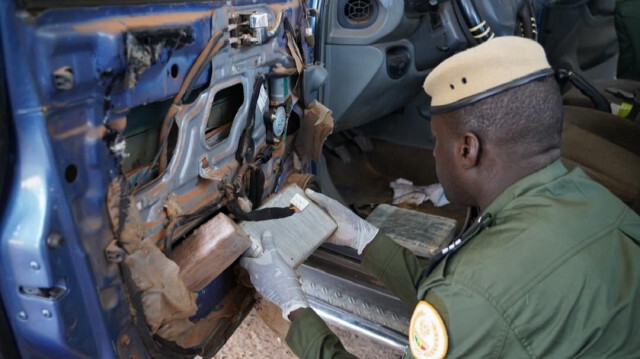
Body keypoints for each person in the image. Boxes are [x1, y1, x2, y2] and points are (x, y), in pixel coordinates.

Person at [240, 36, 640, 358]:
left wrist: (295, 308)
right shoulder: (601, 204)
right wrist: (366, 239)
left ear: (468, 149)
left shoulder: (474, 296)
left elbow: (475, 301)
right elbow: (473, 301)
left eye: (436, 142)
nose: (433, 154)